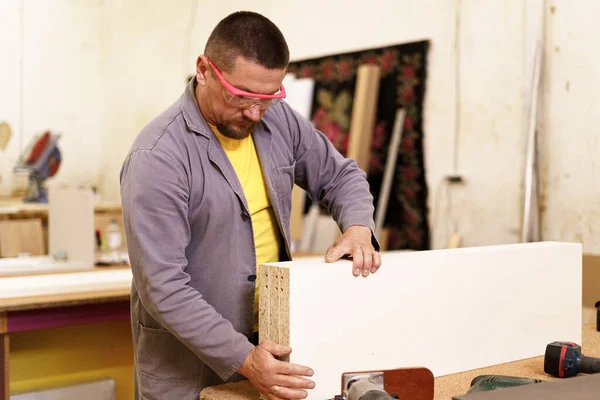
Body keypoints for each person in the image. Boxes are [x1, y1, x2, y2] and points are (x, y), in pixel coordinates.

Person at [120, 10, 381, 400]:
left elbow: (340, 175)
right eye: (241, 96)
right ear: (204, 70)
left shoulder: (278, 122)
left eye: (268, 98)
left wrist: (359, 227)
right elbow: (163, 287)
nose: (255, 113)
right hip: (189, 367)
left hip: (271, 344)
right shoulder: (158, 156)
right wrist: (245, 357)